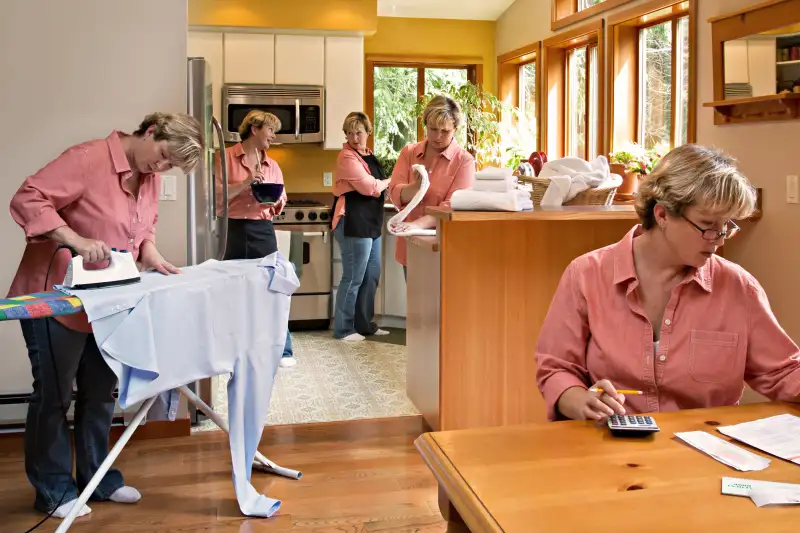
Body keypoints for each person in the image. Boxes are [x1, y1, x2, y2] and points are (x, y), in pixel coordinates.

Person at [7, 112, 203, 518]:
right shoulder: (88, 158)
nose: (161, 169)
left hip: (107, 304)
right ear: (151, 131)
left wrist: (149, 250)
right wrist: (75, 239)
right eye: (164, 156)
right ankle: (53, 490)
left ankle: (96, 481)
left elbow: (143, 227)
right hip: (55, 299)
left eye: (171, 167)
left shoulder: (148, 179)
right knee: (54, 396)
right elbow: (28, 198)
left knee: (100, 394)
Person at [535, 144, 800, 422]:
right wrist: (577, 399)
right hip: (608, 444)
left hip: (707, 452)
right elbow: (556, 368)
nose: (719, 239)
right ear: (662, 215)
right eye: (708, 226)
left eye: (726, 227)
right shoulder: (586, 275)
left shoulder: (739, 287)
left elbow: (782, 372)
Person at [216, 110, 295, 367]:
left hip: (263, 229)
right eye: (270, 130)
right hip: (232, 228)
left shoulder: (273, 165)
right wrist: (247, 183)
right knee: (233, 290)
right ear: (254, 129)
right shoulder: (225, 158)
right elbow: (215, 198)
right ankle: (234, 350)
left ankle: (282, 350)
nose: (273, 136)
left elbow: (282, 197)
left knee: (274, 287)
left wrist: (275, 201)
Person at [387, 95, 475, 276]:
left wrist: (417, 225)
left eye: (445, 131)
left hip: (444, 249)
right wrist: (417, 187)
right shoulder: (409, 153)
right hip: (409, 246)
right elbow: (395, 193)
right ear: (425, 124)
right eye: (433, 129)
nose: (437, 136)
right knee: (415, 304)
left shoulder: (464, 161)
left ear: (455, 129)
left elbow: (453, 206)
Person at [331, 112, 390, 341]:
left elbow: (377, 187)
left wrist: (385, 185)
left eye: (359, 132)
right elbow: (370, 188)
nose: (355, 137)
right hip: (353, 221)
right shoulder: (347, 157)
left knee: (372, 275)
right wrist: (390, 181)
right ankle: (344, 329)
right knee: (354, 277)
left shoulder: (368, 155)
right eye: (350, 133)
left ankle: (364, 325)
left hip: (371, 221)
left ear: (368, 132)